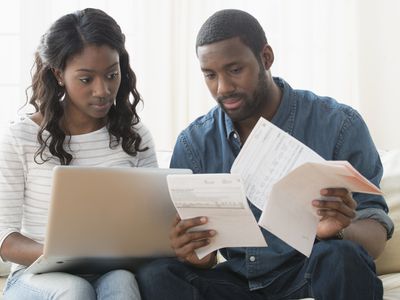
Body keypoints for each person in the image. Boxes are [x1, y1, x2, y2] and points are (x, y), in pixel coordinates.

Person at [137, 9, 394, 300]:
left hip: (308, 272)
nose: (222, 88)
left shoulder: (339, 125)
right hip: (235, 283)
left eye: (235, 70)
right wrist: (198, 255)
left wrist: (336, 232)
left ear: (266, 58)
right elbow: (202, 252)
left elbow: (374, 234)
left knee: (341, 256)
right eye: (210, 75)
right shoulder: (193, 144)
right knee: (156, 274)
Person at [0, 8, 157, 300]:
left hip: (110, 270)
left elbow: (150, 226)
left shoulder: (134, 135)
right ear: (59, 75)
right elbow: (4, 238)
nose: (103, 90)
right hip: (36, 276)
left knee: (123, 283)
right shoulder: (20, 137)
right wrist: (59, 254)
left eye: (112, 74)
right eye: (86, 79)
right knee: (74, 289)